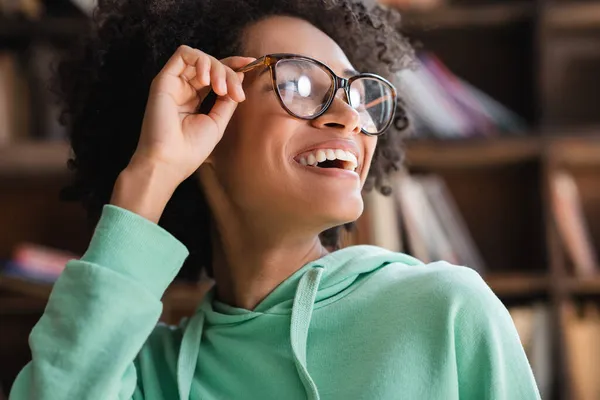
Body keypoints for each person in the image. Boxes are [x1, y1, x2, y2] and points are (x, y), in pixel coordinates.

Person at [9, 0, 541, 399]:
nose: (350, 117)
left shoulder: (446, 311)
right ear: (200, 115)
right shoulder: (141, 374)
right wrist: (151, 172)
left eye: (359, 93)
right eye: (300, 85)